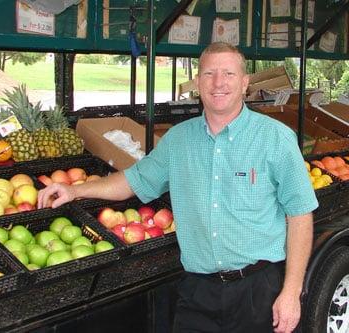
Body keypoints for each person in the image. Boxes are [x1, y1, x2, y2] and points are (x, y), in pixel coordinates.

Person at [38, 42, 318, 333]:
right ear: (197, 82)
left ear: (245, 83)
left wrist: (291, 291)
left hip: (259, 290)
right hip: (197, 290)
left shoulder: (275, 138)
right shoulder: (178, 140)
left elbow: (299, 214)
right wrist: (76, 190)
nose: (218, 83)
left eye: (229, 74)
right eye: (209, 73)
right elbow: (133, 181)